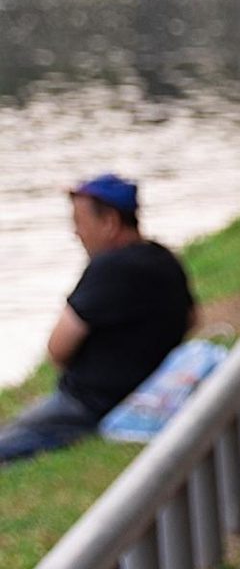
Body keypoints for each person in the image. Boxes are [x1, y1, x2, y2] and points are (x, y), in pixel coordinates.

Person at [0, 176, 196, 462]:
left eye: (79, 222)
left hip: (90, 405)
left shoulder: (109, 268)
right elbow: (192, 319)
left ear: (109, 222)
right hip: (142, 391)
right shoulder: (163, 259)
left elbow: (58, 348)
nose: (75, 233)